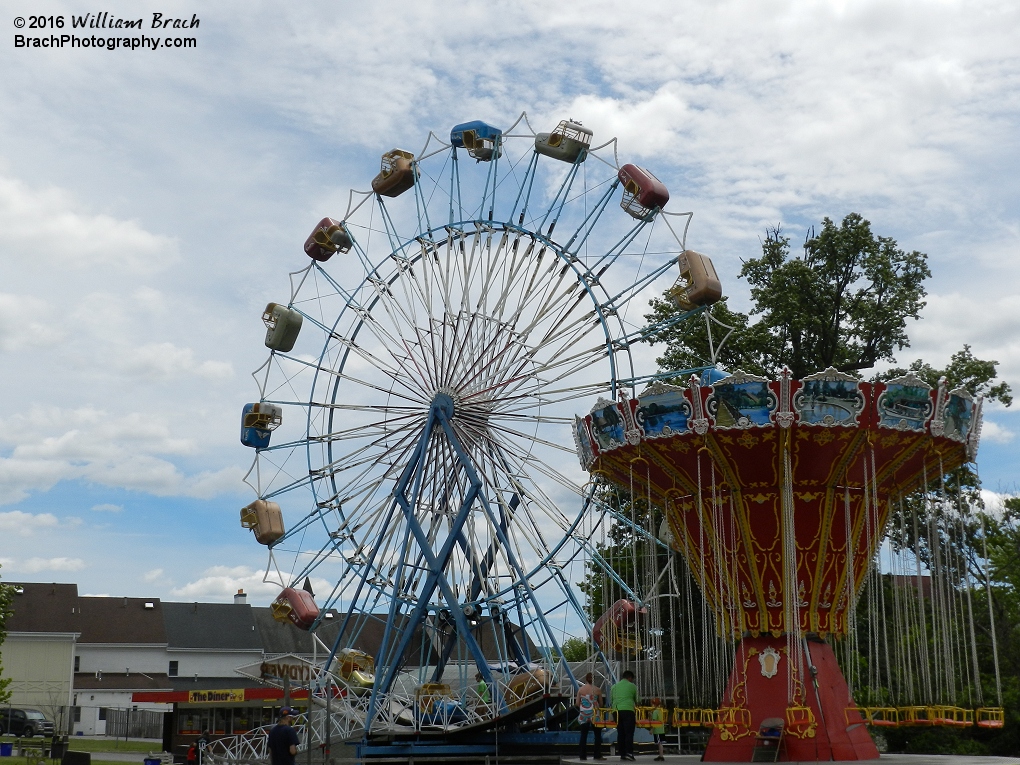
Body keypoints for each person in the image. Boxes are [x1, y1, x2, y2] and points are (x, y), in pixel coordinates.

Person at [576, 672, 605, 761]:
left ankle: (582, 756)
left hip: (584, 714)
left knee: (583, 735)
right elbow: (601, 703)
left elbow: (577, 703)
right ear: (594, 679)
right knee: (597, 735)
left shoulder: (581, 690)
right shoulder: (597, 690)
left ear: (586, 679)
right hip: (594, 714)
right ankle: (597, 755)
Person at [611, 670, 638, 762]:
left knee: (620, 732)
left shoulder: (614, 686)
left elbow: (611, 699)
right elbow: (637, 700)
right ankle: (629, 753)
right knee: (629, 733)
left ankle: (622, 753)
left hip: (616, 711)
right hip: (628, 710)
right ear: (630, 678)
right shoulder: (632, 686)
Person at [650, 697, 666, 761]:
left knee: (659, 743)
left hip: (657, 730)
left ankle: (661, 756)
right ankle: (660, 755)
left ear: (654, 704)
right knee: (660, 743)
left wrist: (651, 730)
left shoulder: (655, 711)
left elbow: (654, 722)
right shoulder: (660, 711)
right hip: (661, 729)